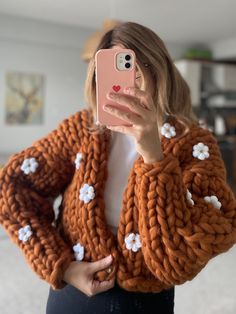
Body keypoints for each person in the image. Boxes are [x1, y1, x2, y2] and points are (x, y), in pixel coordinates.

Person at [0, 22, 236, 314]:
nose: (130, 80)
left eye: (136, 67)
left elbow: (181, 262)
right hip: (75, 295)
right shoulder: (81, 131)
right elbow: (12, 186)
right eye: (115, 69)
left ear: (158, 70)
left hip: (147, 299)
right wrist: (61, 266)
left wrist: (153, 155)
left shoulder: (193, 143)